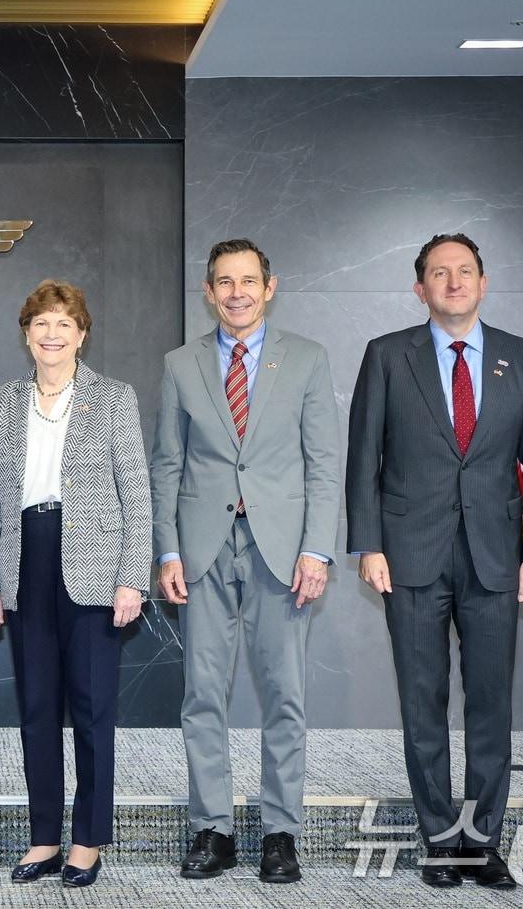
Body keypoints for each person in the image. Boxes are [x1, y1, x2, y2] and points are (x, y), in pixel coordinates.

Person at [346, 233, 523, 890]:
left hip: (497, 557)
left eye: (464, 270)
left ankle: (483, 839)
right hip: (409, 555)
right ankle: (439, 837)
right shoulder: (386, 356)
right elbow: (364, 461)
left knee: (491, 701)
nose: (453, 281)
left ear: (483, 283)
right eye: (439, 272)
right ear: (420, 288)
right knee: (422, 699)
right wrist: (369, 544)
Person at [150, 238, 341, 884]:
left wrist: (317, 548)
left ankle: (280, 831)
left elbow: (323, 465)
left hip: (282, 552)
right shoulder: (181, 365)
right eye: (224, 282)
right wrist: (168, 549)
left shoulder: (308, 361)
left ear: (270, 286)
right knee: (202, 694)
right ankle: (213, 828)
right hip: (203, 548)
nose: (237, 292)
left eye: (248, 280)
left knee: (283, 694)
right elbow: (167, 465)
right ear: (208, 291)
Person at [0, 280, 151, 888]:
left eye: (63, 323)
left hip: (95, 569)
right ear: (26, 333)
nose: (52, 333)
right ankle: (45, 837)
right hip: (25, 561)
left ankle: (88, 840)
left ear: (82, 333)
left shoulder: (114, 398)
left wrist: (132, 579)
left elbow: (137, 498)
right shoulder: (2, 402)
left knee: (94, 711)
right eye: (41, 322)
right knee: (38, 709)